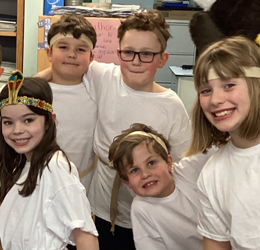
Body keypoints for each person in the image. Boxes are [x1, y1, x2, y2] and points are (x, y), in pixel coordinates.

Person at [36, 10, 191, 250]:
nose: (136, 61)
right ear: (119, 53)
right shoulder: (103, 76)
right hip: (101, 212)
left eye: (147, 54)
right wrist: (29, 87)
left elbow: (183, 168)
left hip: (152, 213)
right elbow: (65, 68)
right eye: (129, 52)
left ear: (162, 58)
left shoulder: (172, 107)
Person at [185, 36, 260, 250]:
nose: (215, 100)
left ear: (257, 85)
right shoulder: (212, 176)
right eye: (205, 90)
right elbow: (216, 244)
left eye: (228, 85)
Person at [0, 71, 99, 250]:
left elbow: (86, 237)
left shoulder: (55, 167)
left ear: (48, 122)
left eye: (28, 120)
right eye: (8, 122)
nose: (17, 130)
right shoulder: (21, 164)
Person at [108, 123, 215, 250]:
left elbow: (224, 144)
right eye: (134, 170)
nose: (145, 174)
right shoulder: (141, 209)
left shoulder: (189, 170)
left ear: (169, 163)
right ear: (126, 182)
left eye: (151, 163)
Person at [46, 14, 97, 194]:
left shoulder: (96, 92)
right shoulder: (37, 93)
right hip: (40, 183)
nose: (71, 54)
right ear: (49, 53)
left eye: (81, 50)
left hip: (82, 186)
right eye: (63, 47)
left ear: (92, 57)